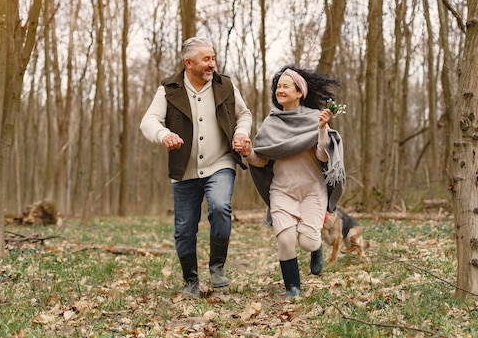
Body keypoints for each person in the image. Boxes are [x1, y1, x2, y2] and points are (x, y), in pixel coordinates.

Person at [140, 37, 253, 298]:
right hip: (185, 170)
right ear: (188, 63)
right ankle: (190, 280)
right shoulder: (169, 88)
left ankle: (217, 267)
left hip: (221, 162)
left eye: (213, 58)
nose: (212, 64)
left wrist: (241, 133)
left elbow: (243, 114)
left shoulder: (225, 85)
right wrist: (163, 134)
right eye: (206, 59)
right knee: (184, 228)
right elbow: (148, 121)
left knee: (220, 206)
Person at [233, 66, 345, 299]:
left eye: (286, 86)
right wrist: (248, 152)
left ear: (299, 92)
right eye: (278, 87)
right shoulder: (271, 123)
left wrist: (322, 130)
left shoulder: (315, 118)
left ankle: (317, 248)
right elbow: (262, 160)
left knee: (307, 242)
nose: (280, 90)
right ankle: (292, 288)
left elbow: (324, 157)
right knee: (285, 240)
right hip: (282, 190)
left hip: (312, 191)